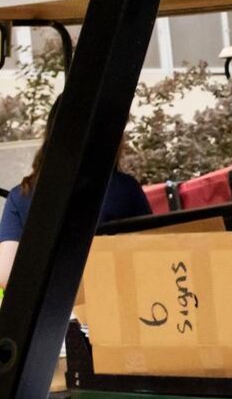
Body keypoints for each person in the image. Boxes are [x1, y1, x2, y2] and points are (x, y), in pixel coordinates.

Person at [0, 122, 150, 289]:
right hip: (111, 300)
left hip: (48, 311)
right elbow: (151, 255)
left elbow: (7, 274)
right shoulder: (124, 188)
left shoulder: (21, 195)